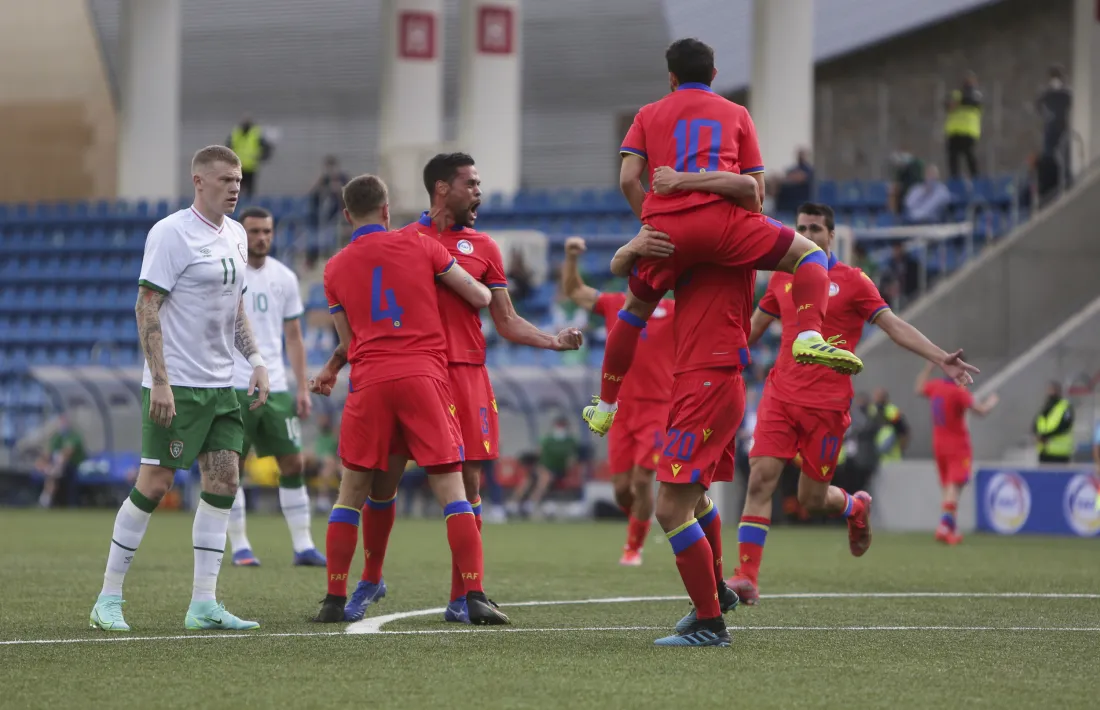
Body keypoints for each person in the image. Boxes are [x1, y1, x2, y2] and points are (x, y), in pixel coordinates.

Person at [344, 153, 583, 624]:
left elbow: (506, 319)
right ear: (441, 188)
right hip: (410, 371)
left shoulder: (485, 247)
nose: (479, 191)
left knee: (468, 483)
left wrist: (552, 340)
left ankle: (463, 595)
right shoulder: (403, 242)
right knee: (384, 479)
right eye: (470, 183)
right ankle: (371, 578)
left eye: (479, 183)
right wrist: (338, 360)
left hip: (467, 373)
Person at [584, 37, 861, 441]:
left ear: (672, 78)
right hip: (725, 224)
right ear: (714, 75)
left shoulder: (647, 114)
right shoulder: (737, 114)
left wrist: (651, 220)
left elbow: (628, 179)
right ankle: (808, 335)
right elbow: (757, 192)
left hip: (666, 232)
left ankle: (606, 407)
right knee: (810, 257)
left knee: (631, 313)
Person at [722, 202, 977, 604]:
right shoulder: (782, 278)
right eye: (802, 227)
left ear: (831, 235)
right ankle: (746, 577)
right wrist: (715, 362)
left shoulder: (854, 281)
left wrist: (938, 357)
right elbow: (751, 329)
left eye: (816, 228)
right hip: (780, 396)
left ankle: (855, 507)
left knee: (811, 499)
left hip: (827, 407)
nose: (808, 233)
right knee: (760, 478)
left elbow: (893, 326)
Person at [309, 173, 509, 626]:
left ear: (346, 215)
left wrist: (330, 370)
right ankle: (473, 595)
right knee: (453, 492)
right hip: (424, 375)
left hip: (370, 380)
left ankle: (334, 599)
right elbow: (479, 296)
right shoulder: (423, 246)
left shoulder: (335, 267)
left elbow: (348, 340)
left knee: (352, 494)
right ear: (387, 209)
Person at [89, 145, 271, 632]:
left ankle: (203, 604)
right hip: (178, 385)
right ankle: (107, 598)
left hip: (221, 385)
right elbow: (146, 307)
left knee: (225, 482)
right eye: (225, 180)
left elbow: (235, 309)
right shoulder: (171, 233)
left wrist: (255, 361)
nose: (235, 187)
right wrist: (161, 382)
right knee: (155, 484)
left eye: (238, 180)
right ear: (199, 181)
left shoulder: (235, 234)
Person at [561, 235, 673, 565]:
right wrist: (570, 258)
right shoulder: (613, 304)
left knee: (642, 479)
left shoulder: (675, 309)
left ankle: (633, 547)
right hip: (620, 410)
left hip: (657, 408)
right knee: (622, 489)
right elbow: (575, 292)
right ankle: (639, 519)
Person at [225, 206, 325, 568]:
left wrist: (301, 388)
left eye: (267, 231)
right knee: (230, 467)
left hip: (278, 387)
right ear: (241, 233)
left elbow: (294, 338)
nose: (262, 238)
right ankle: (240, 547)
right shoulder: (228, 274)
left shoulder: (284, 277)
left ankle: (303, 545)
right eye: (254, 231)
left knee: (293, 461)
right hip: (235, 384)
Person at [916, 363, 998, 545]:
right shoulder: (958, 392)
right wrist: (991, 402)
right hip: (957, 444)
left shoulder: (937, 386)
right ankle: (944, 527)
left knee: (947, 488)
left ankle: (951, 528)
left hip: (938, 443)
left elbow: (919, 388)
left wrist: (929, 368)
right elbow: (981, 411)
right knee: (955, 487)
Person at [511, 415, 579, 517]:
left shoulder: (571, 441)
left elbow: (572, 460)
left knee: (545, 478)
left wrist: (569, 470)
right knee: (528, 479)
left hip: (559, 470)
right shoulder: (547, 439)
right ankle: (513, 504)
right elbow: (539, 454)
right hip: (543, 467)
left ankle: (531, 503)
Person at [37, 413, 85, 508]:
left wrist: (56, 463)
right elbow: (48, 451)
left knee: (55, 472)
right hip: (58, 466)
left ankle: (46, 500)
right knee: (51, 475)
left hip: (73, 465)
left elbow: (68, 452)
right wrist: (43, 462)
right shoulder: (57, 436)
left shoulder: (74, 436)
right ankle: (46, 499)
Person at [944, 71, 982, 179]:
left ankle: (976, 179)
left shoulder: (976, 94)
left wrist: (957, 102)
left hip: (968, 130)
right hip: (954, 130)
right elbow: (948, 104)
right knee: (953, 159)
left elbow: (970, 101)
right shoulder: (957, 93)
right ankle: (954, 179)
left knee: (970, 157)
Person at [227, 116, 272, 198]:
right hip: (238, 167)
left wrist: (262, 157)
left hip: (251, 167)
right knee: (236, 189)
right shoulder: (236, 133)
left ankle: (248, 205)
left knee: (249, 192)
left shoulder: (256, 133)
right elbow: (227, 147)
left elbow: (267, 147)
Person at [1033, 381, 1075, 464]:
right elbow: (1037, 423)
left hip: (1060, 452)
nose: (1050, 393)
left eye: (1053, 390)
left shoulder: (1065, 407)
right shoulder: (1046, 407)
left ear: (1059, 391)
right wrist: (1037, 434)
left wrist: (1046, 436)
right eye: (1049, 390)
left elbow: (1064, 426)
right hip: (1044, 451)